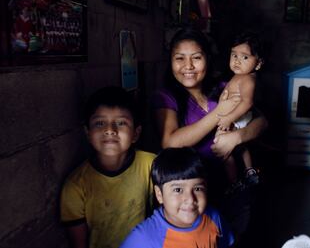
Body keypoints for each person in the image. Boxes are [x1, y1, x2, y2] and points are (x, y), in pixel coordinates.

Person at [153, 27, 268, 198]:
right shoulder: (166, 97)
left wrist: (236, 138)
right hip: (193, 192)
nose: (188, 66)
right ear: (170, 61)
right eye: (179, 58)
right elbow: (170, 142)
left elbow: (262, 122)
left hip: (235, 185)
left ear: (207, 59)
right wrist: (220, 112)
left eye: (197, 58)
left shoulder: (225, 87)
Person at [60, 86, 156, 248]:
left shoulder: (150, 164)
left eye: (121, 123)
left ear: (136, 134)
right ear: (88, 133)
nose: (110, 130)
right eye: (100, 123)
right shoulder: (76, 185)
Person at [120, 147, 234, 248]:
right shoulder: (142, 238)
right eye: (178, 190)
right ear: (159, 194)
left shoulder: (214, 217)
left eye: (197, 189)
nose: (190, 199)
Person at [216, 31, 264, 191]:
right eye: (234, 55)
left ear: (258, 64)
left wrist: (229, 117)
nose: (237, 61)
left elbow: (247, 102)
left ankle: (234, 182)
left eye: (245, 57)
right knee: (241, 147)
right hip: (236, 117)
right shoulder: (238, 76)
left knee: (223, 149)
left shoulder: (248, 79)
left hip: (237, 117)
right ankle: (249, 171)